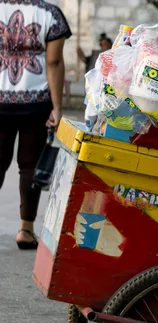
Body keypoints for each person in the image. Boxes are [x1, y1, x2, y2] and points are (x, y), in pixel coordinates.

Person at [0, 0, 71, 249]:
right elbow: (53, 63)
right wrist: (58, 107)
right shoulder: (52, 15)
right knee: (29, 166)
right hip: (36, 103)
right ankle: (26, 230)